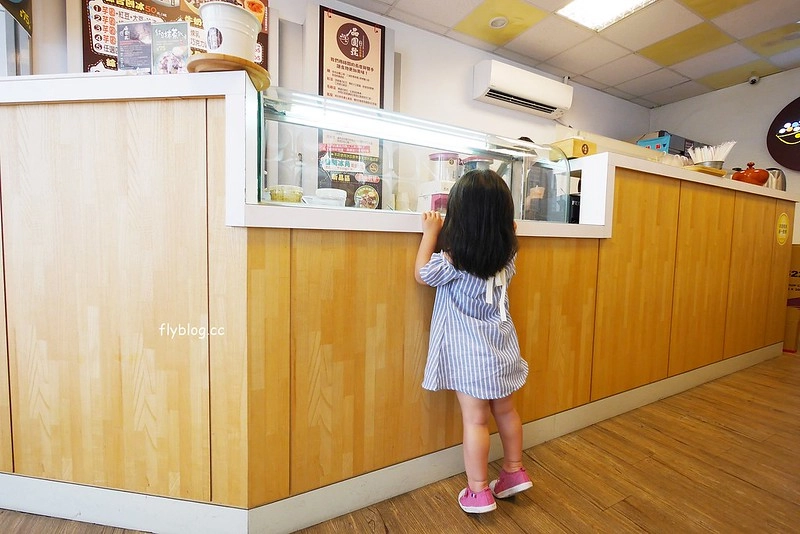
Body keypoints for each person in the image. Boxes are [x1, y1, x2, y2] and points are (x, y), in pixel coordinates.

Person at [414, 169, 532, 514]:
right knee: (507, 411)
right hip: (504, 348)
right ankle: (513, 471)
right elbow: (507, 233)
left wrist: (430, 232)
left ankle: (478, 490)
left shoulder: (452, 261)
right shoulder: (508, 257)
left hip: (471, 357)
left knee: (476, 421)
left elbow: (421, 275)